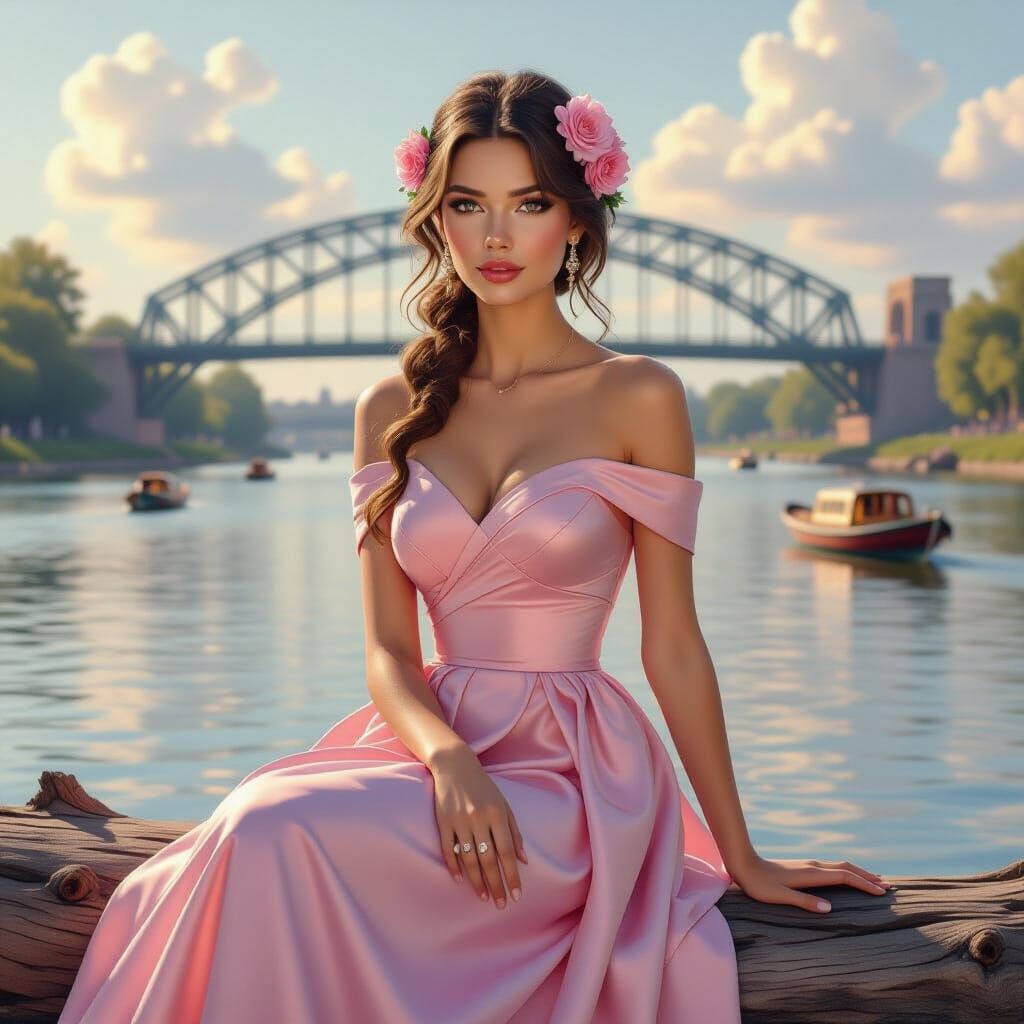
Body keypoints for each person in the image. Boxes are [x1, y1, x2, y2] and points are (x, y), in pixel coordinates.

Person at [57, 69, 892, 1024]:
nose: (497, 238)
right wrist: (451, 760)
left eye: (529, 203)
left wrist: (740, 852)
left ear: (576, 218)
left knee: (277, 833)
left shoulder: (641, 397)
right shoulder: (389, 411)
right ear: (436, 218)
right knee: (258, 826)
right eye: (468, 204)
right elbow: (387, 651)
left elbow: (673, 645)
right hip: (427, 749)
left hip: (575, 774)